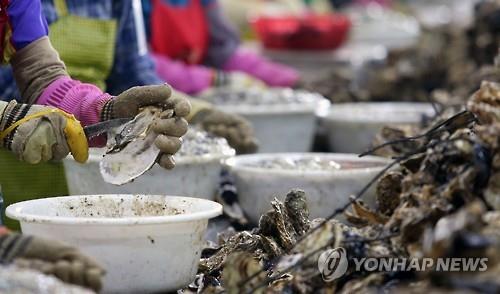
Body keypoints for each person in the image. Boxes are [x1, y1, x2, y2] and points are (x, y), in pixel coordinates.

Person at [142, 0, 300, 94]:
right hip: (151, 100)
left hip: (198, 94)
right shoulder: (137, 5)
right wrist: (214, 79)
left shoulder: (204, 2)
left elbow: (225, 51)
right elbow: (139, 66)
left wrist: (287, 79)